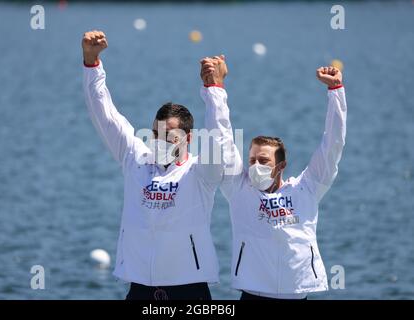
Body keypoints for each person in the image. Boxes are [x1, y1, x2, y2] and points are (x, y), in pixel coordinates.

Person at [82, 30, 232, 300]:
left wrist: (214, 90)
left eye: (168, 136)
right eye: (155, 134)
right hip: (139, 289)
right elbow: (105, 116)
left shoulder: (202, 173)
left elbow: (218, 139)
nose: (159, 141)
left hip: (190, 291)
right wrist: (92, 64)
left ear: (188, 138)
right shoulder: (136, 160)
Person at [200, 60, 347, 300]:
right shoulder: (239, 189)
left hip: (297, 294)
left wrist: (336, 91)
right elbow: (222, 138)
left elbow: (333, 145)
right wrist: (216, 88)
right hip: (253, 294)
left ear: (281, 166)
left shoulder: (306, 188)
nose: (256, 166)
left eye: (263, 161)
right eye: (252, 159)